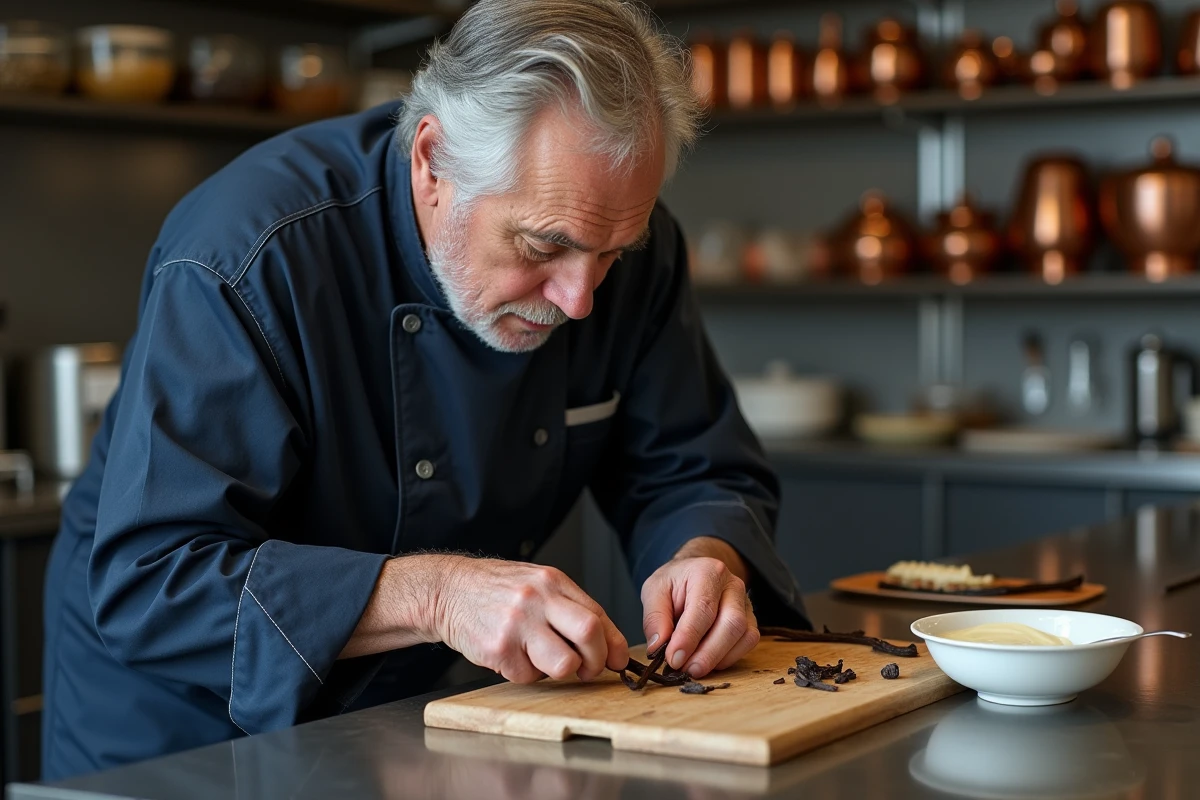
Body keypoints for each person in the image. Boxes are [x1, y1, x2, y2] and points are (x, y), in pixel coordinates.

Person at [41, 0, 809, 779]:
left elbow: (692, 464)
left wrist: (704, 559)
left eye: (613, 253)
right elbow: (153, 581)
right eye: (545, 246)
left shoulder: (618, 240)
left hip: (394, 719)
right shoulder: (248, 257)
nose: (581, 298)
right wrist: (439, 596)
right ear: (431, 162)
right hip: (178, 734)